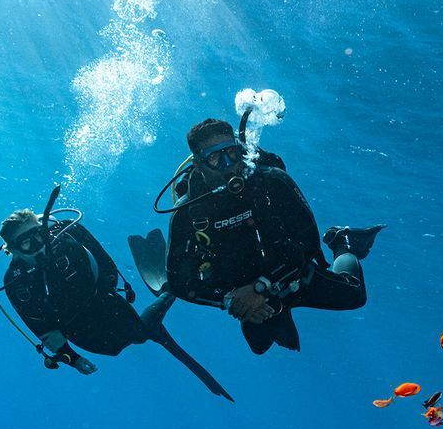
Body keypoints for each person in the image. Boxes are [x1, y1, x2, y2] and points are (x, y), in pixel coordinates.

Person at [142, 118, 382, 354]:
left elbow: (308, 244)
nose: (227, 164)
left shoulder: (273, 181)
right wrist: (228, 299)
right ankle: (276, 311)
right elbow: (179, 281)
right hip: (240, 293)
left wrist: (261, 286)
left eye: (232, 153)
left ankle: (343, 242)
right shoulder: (188, 212)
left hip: (292, 273)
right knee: (259, 346)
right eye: (215, 158)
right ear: (199, 163)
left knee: (354, 296)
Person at [0, 207, 233, 400]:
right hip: (78, 329)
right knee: (114, 349)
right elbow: (42, 331)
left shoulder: (67, 233)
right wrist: (73, 359)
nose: (38, 245)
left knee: (142, 334)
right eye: (27, 244)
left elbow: (106, 265)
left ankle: (170, 290)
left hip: (105, 303)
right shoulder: (17, 282)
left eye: (39, 235)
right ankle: (165, 297)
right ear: (13, 251)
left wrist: (111, 294)